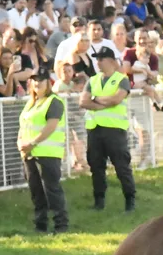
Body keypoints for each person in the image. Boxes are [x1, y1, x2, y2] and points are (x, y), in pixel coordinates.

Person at [79, 46, 134, 212]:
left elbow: (116, 99)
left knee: (121, 166)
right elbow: (83, 101)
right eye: (97, 59)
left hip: (114, 130)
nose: (98, 62)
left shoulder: (121, 79)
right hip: (95, 129)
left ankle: (130, 200)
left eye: (101, 59)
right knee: (96, 166)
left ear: (110, 60)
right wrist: (103, 102)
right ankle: (99, 201)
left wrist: (95, 99)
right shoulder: (93, 80)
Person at [17, 66, 68, 233]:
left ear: (48, 82)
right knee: (36, 191)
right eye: (34, 80)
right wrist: (20, 142)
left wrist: (33, 142)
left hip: (47, 153)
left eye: (41, 80)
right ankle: (40, 225)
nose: (37, 83)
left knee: (52, 190)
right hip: (29, 153)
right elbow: (24, 126)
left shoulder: (54, 101)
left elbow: (51, 126)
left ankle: (61, 224)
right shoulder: (31, 103)